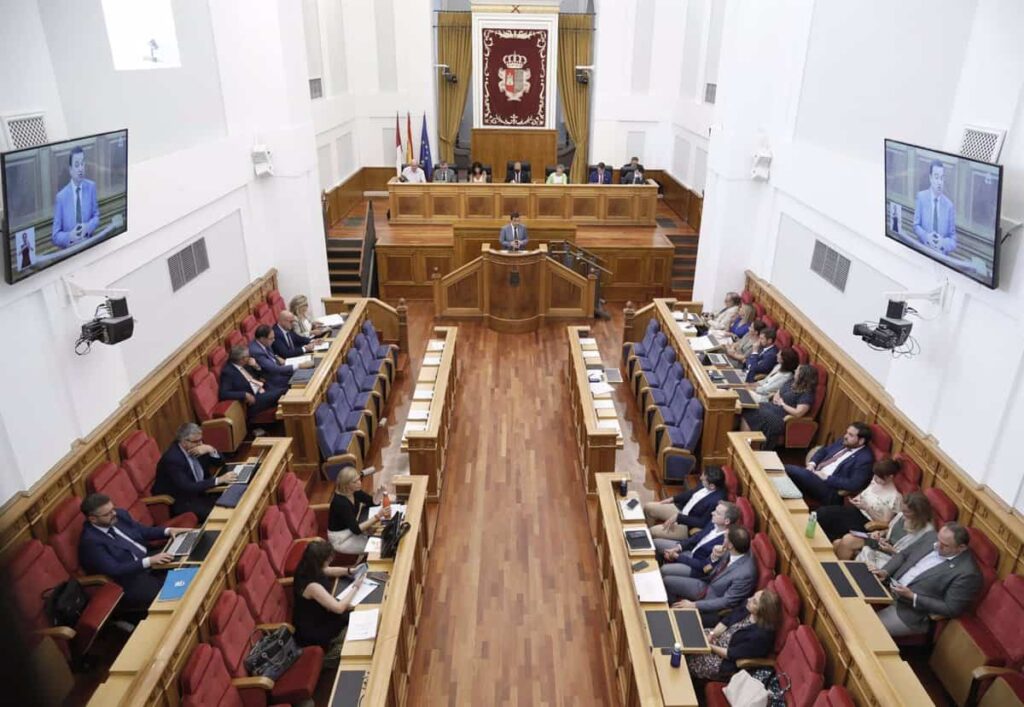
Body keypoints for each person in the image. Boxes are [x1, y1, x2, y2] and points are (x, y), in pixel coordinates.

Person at [78, 493, 189, 611]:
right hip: (130, 578)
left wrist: (168, 531)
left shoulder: (119, 515)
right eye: (107, 514)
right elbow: (115, 569)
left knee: (188, 566)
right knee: (172, 595)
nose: (114, 513)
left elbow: (142, 531)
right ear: (93, 519)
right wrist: (149, 561)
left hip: (149, 558)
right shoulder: (91, 542)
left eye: (113, 509)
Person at [872, 522, 983, 637]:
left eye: (945, 545)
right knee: (858, 605)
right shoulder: (931, 536)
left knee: (870, 629)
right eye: (938, 539)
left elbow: (951, 609)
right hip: (887, 587)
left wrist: (913, 596)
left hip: (909, 610)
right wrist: (885, 571)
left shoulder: (968, 574)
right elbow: (904, 555)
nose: (937, 545)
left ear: (961, 548)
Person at [293, 540, 364, 668]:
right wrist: (356, 587)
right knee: (351, 622)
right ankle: (328, 658)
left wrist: (350, 571)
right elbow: (339, 608)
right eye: (327, 560)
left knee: (351, 614)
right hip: (314, 628)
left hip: (321, 613)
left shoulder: (308, 567)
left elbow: (327, 570)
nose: (329, 562)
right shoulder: (312, 586)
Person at [668, 527, 757, 625]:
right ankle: (670, 611)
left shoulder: (745, 574)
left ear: (730, 545)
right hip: (706, 584)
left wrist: (694, 605)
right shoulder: (732, 550)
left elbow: (726, 601)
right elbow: (707, 569)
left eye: (725, 537)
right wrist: (714, 558)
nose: (723, 539)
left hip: (714, 601)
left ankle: (674, 619)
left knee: (681, 619)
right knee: (667, 582)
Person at [687, 589, 782, 681]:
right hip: (716, 638)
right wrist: (712, 635)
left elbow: (731, 654)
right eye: (753, 597)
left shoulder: (761, 636)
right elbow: (727, 620)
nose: (749, 599)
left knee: (689, 662)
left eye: (754, 602)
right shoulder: (747, 609)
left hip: (723, 660)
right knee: (688, 635)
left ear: (762, 611)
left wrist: (709, 646)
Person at [153, 423, 236, 522]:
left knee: (236, 494)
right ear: (183, 442)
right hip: (181, 500)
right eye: (196, 441)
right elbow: (188, 487)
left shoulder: (197, 445)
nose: (200, 444)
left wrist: (211, 450)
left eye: (201, 440)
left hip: (201, 490)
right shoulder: (173, 459)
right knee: (222, 514)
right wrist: (218, 480)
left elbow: (220, 463)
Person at [783, 422, 875, 506]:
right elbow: (823, 451)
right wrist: (812, 464)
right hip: (814, 474)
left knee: (789, 470)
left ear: (861, 441)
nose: (845, 436)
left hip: (829, 489)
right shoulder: (843, 442)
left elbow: (854, 484)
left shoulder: (865, 459)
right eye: (847, 433)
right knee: (788, 481)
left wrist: (826, 478)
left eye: (850, 435)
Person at [834, 491, 933, 567]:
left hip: (893, 556)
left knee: (843, 542)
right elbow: (889, 530)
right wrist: (880, 533)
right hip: (883, 543)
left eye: (907, 512)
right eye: (903, 510)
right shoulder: (901, 515)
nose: (903, 513)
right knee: (839, 542)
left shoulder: (927, 532)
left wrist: (893, 551)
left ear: (918, 512)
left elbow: (916, 559)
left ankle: (841, 572)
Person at [815, 459, 902, 541]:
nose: (875, 478)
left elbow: (884, 522)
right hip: (856, 511)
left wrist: (867, 508)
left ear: (890, 477)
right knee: (822, 513)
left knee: (832, 527)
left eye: (879, 477)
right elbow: (864, 494)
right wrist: (857, 499)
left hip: (867, 522)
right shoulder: (875, 481)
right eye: (875, 475)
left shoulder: (894, 497)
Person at [740, 363, 817, 447]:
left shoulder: (806, 394)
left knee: (757, 413)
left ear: (802, 375)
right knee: (749, 408)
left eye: (797, 370)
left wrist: (783, 404)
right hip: (772, 406)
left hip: (781, 416)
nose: (795, 371)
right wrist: (776, 397)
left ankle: (749, 446)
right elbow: (779, 391)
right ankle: (744, 442)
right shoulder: (791, 381)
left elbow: (798, 413)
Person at [656, 501, 740, 576]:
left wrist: (677, 556)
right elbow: (696, 537)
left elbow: (704, 565)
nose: (712, 513)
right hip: (689, 551)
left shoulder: (724, 541)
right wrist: (678, 548)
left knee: (664, 570)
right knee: (655, 543)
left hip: (695, 567)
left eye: (717, 513)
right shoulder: (713, 523)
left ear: (727, 521)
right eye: (715, 510)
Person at [644, 467, 727, 541]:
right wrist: (673, 499)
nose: (700, 478)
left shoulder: (716, 501)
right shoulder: (708, 483)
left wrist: (679, 518)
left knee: (652, 531)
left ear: (712, 486)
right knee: (648, 507)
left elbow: (702, 522)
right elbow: (691, 493)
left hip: (687, 525)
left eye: (703, 479)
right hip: (681, 510)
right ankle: (645, 534)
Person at [327, 465, 388, 554]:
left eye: (359, 479)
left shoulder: (354, 491)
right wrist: (377, 516)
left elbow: (372, 502)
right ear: (346, 485)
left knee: (382, 539)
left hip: (351, 529)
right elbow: (356, 530)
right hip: (341, 539)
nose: (359, 483)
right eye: (355, 482)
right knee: (379, 547)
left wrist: (380, 492)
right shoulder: (341, 503)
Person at [219, 344, 288, 420]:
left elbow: (260, 375)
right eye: (248, 356)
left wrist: (255, 366)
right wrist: (244, 394)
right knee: (284, 391)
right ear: (242, 359)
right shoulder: (228, 372)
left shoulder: (245, 364)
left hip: (263, 387)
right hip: (255, 399)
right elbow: (223, 394)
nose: (250, 357)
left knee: (287, 383)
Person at [52, 146, 100, 249]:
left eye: (82, 164)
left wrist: (88, 227)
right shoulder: (61, 197)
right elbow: (55, 236)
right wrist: (70, 236)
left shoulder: (91, 187)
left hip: (89, 246)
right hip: (71, 251)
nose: (81, 169)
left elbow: (96, 217)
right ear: (70, 170)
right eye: (77, 165)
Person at [913, 159, 956, 254]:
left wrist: (943, 243)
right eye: (936, 177)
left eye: (942, 178)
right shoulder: (921, 197)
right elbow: (916, 226)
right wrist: (926, 237)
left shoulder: (949, 206)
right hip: (923, 252)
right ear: (930, 178)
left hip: (941, 256)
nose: (939, 182)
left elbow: (953, 240)